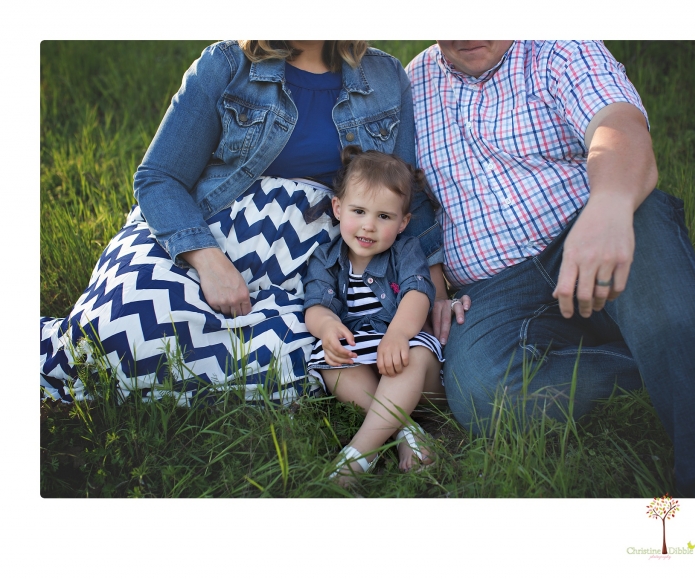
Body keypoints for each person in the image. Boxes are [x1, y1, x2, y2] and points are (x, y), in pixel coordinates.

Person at [40, 40, 442, 407]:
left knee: (311, 357)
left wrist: (434, 294)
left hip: (311, 270)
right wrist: (208, 260)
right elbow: (159, 176)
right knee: (116, 329)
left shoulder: (385, 78)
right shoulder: (226, 65)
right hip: (202, 233)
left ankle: (382, 420)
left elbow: (408, 196)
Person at [406, 41, 695, 497]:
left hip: (598, 230)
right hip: (495, 289)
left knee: (657, 279)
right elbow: (411, 200)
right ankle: (692, 354)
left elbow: (618, 126)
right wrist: (434, 283)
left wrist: (610, 207)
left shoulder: (558, 45)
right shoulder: (412, 82)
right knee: (481, 394)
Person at [304, 146, 443, 483]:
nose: (368, 226)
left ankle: (360, 450)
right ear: (338, 208)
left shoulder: (405, 250)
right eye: (359, 211)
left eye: (383, 217)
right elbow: (316, 305)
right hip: (365, 361)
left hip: (410, 363)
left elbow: (418, 292)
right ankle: (402, 432)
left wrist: (398, 334)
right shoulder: (326, 257)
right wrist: (328, 327)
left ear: (403, 222)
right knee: (331, 362)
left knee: (415, 354)